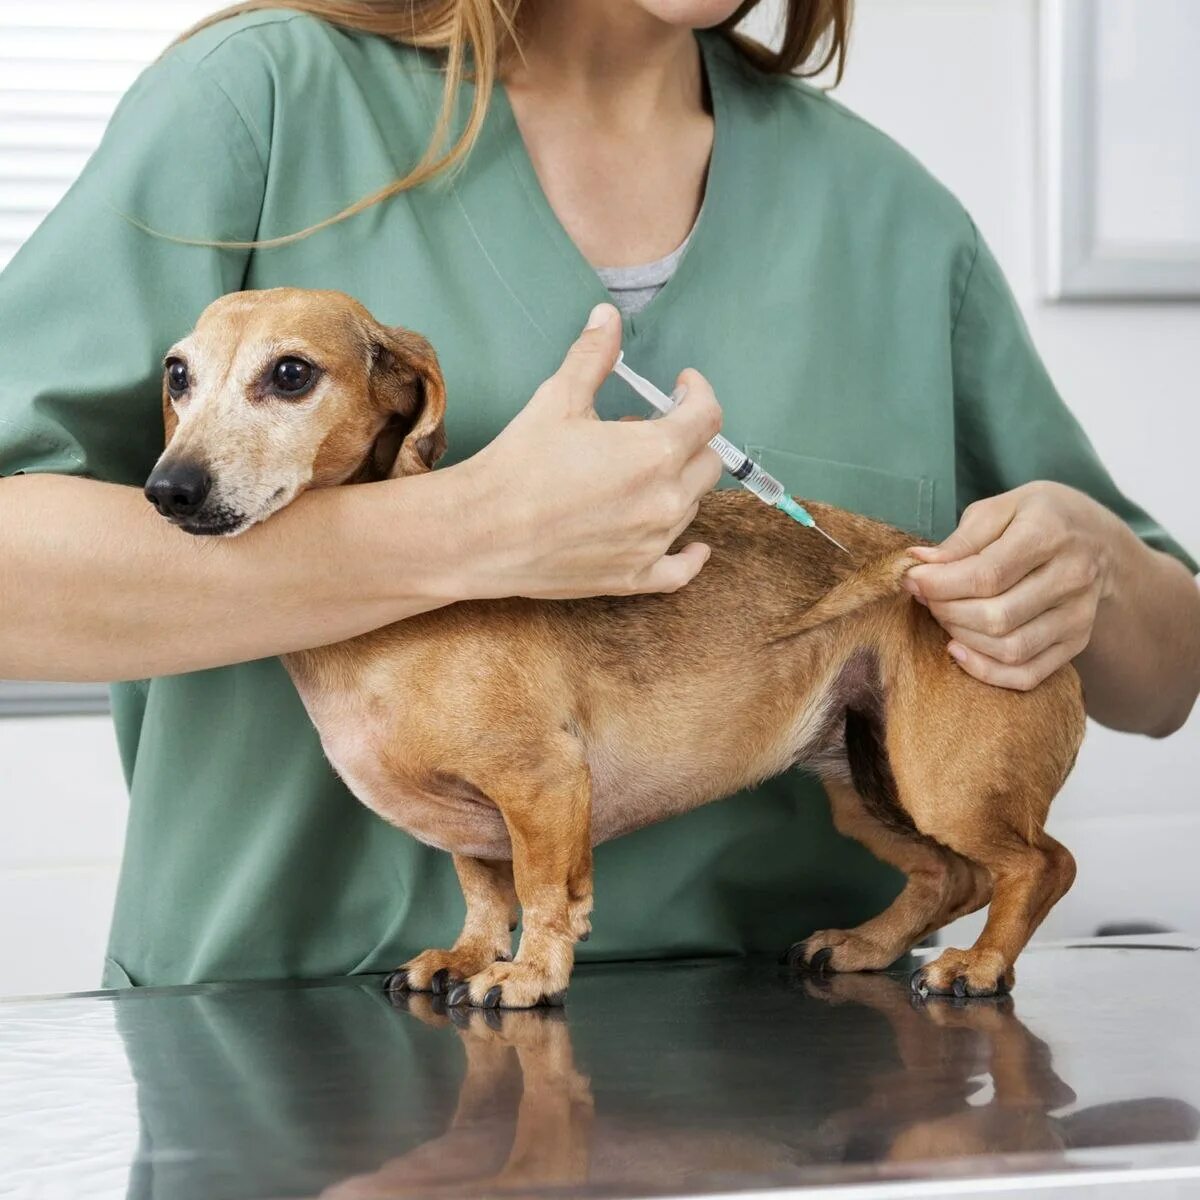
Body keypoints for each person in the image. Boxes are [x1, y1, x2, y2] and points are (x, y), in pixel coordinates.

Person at [0, 0, 1196, 990]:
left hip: (806, 1084)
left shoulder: (897, 215)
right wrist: (464, 536)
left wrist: (1089, 559)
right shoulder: (256, 101)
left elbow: (1165, 675)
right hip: (283, 1068)